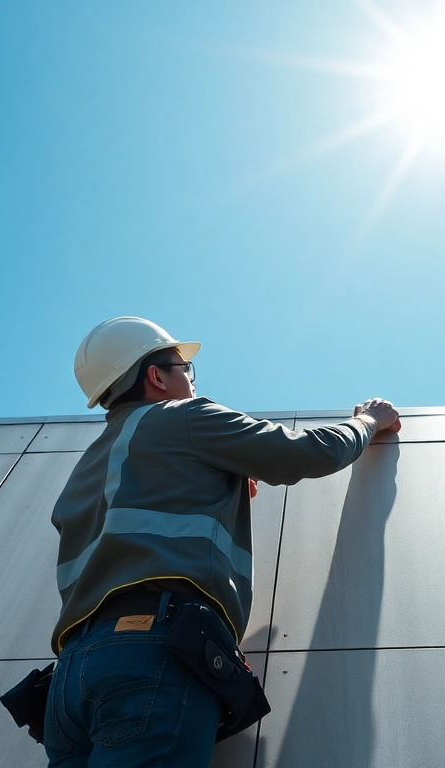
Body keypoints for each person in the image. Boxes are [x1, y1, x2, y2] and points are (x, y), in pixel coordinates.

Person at [44, 316, 400, 767]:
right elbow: (310, 453)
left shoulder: (86, 468)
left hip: (69, 679)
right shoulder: (185, 416)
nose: (191, 381)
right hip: (152, 656)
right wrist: (368, 420)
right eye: (185, 370)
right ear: (156, 376)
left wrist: (216, 476)